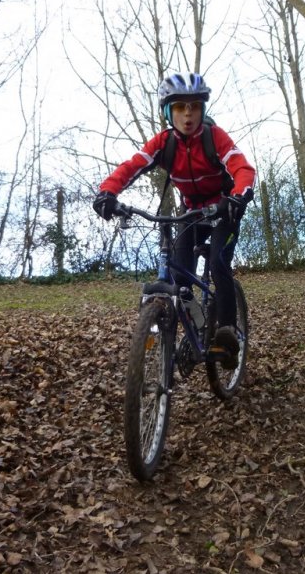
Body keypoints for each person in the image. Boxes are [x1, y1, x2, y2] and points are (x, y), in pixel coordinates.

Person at [92, 72, 256, 368]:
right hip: (191, 213)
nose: (188, 113)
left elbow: (241, 167)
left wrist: (238, 197)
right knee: (180, 279)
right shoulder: (164, 143)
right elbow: (131, 166)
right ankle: (196, 327)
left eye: (194, 106)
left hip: (223, 211)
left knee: (218, 264)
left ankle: (227, 331)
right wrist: (108, 192)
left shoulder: (213, 137)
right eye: (180, 107)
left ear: (202, 109)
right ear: (169, 112)